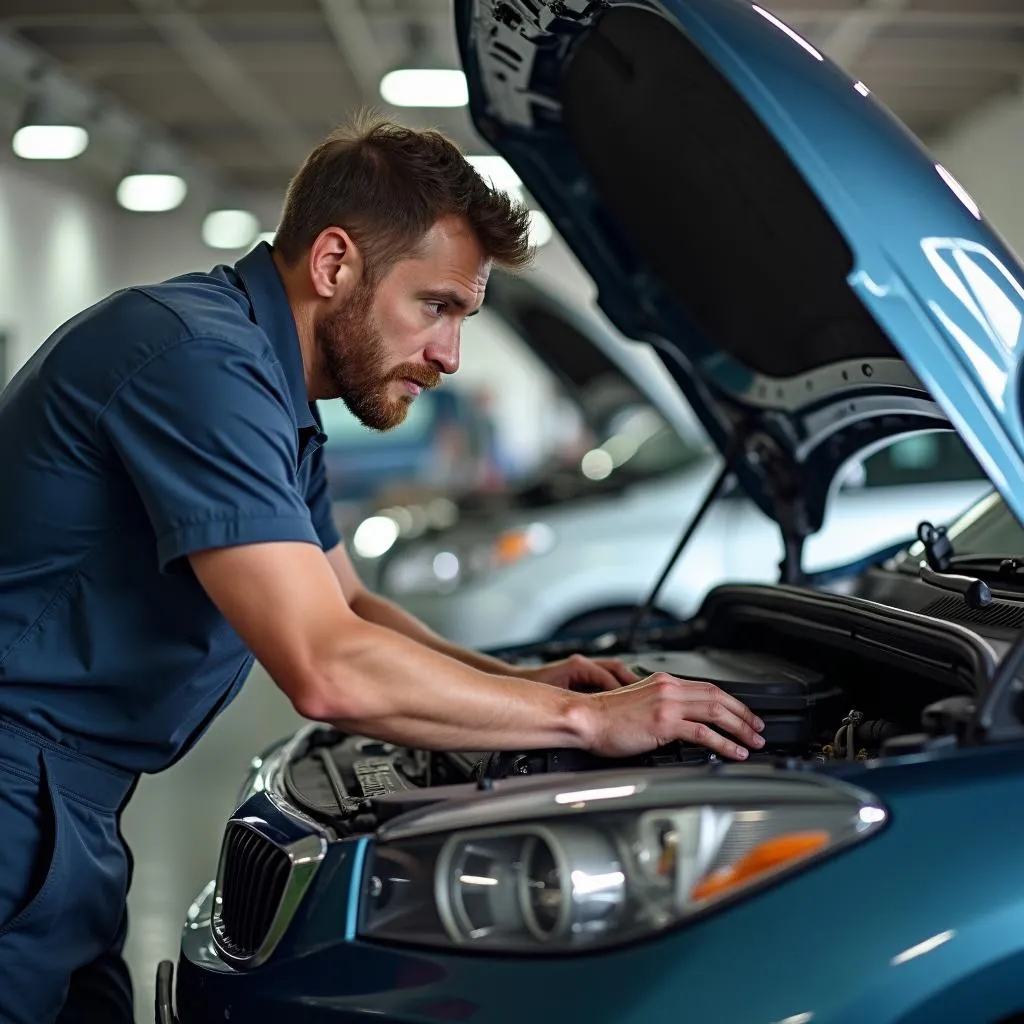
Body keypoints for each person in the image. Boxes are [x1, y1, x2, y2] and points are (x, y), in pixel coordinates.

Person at [0, 113, 764, 1022]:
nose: (449, 355)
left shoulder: (274, 386)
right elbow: (326, 667)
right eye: (435, 306)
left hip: (65, 804)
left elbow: (348, 602)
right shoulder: (198, 360)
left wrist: (514, 681)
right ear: (334, 264)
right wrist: (586, 723)